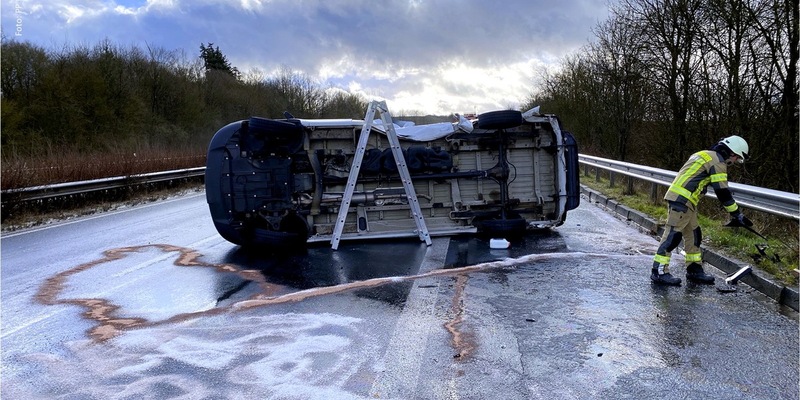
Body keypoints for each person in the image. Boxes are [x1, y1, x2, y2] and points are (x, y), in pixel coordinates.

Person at [651, 135, 752, 286]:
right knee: (673, 235)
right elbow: (722, 192)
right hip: (682, 200)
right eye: (736, 159)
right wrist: (736, 213)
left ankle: (694, 269)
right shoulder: (718, 162)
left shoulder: (703, 154)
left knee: (694, 234)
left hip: (686, 200)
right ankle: (658, 272)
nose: (734, 162)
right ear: (732, 152)